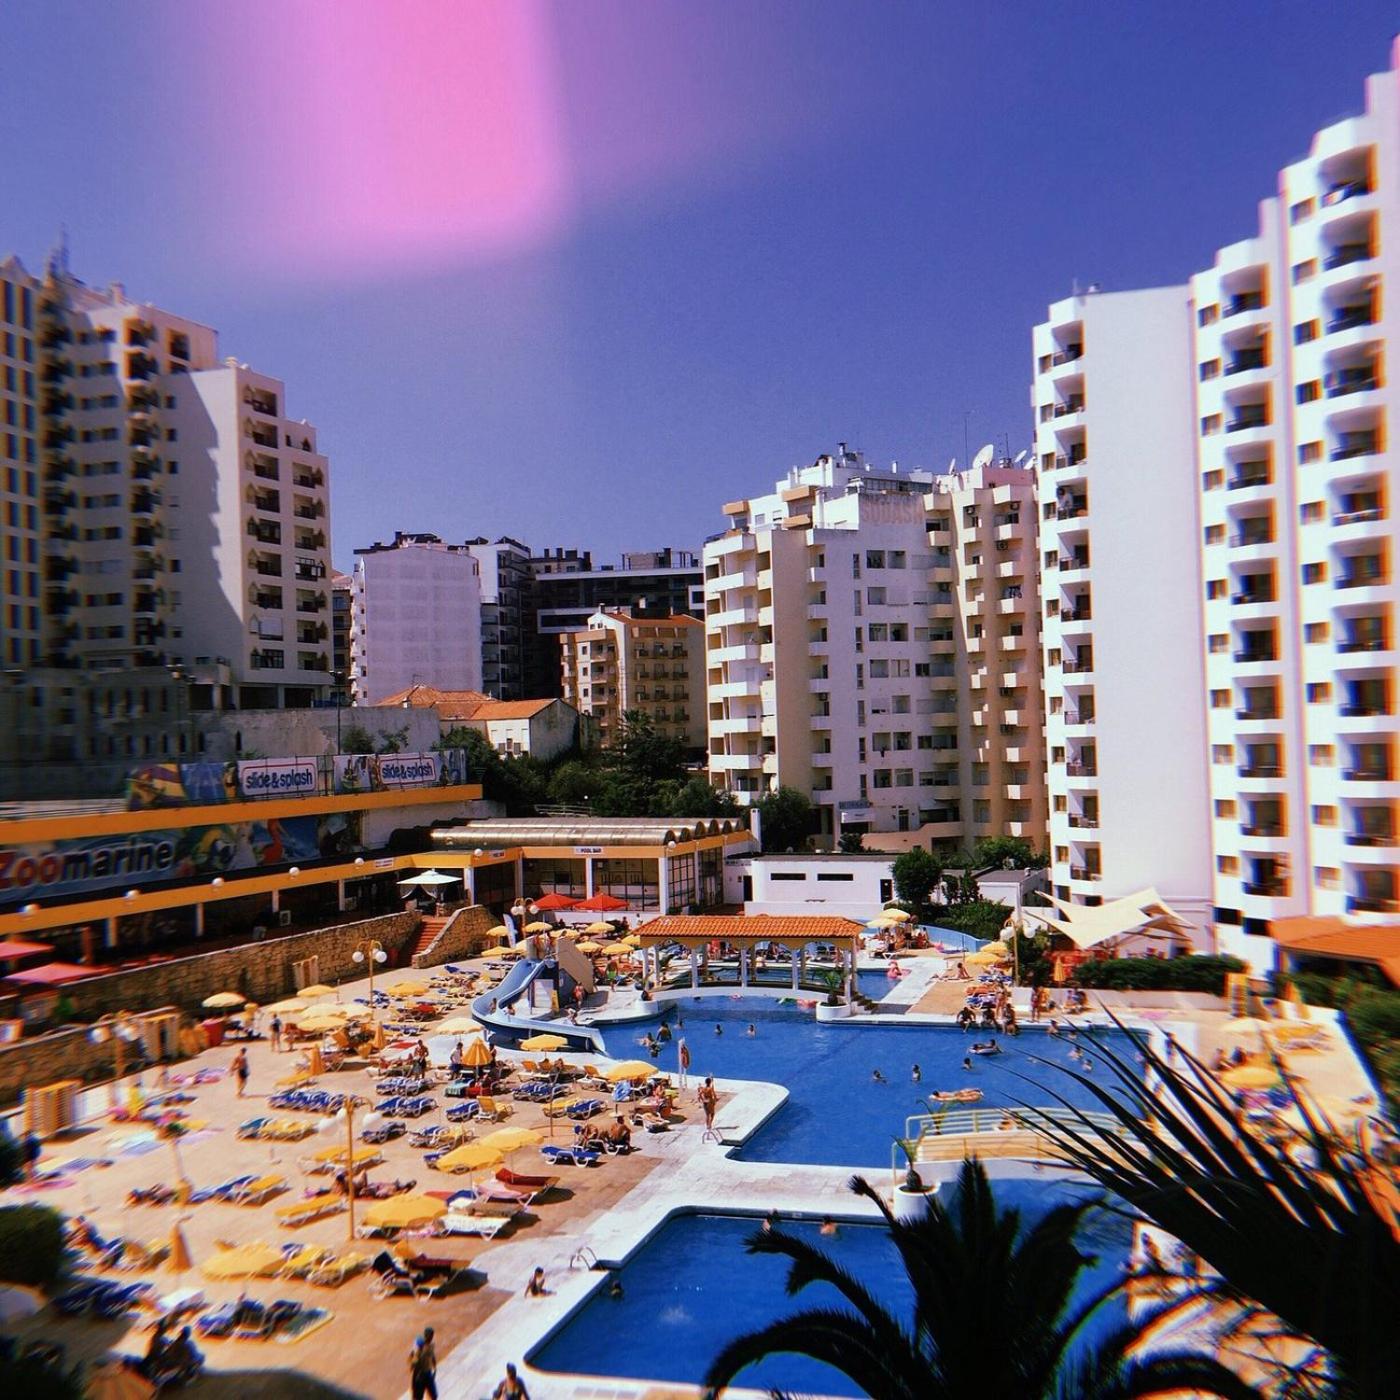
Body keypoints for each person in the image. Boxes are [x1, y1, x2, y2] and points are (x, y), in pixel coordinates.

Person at [409, 1326, 438, 1400]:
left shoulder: (431, 1345)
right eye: (430, 1335)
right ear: (426, 1335)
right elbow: (412, 1359)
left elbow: (432, 1355)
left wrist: (434, 1367)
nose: (431, 1337)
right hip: (419, 1374)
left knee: (434, 1395)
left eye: (432, 1335)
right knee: (418, 1397)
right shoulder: (419, 1346)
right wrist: (413, 1367)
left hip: (428, 1372)